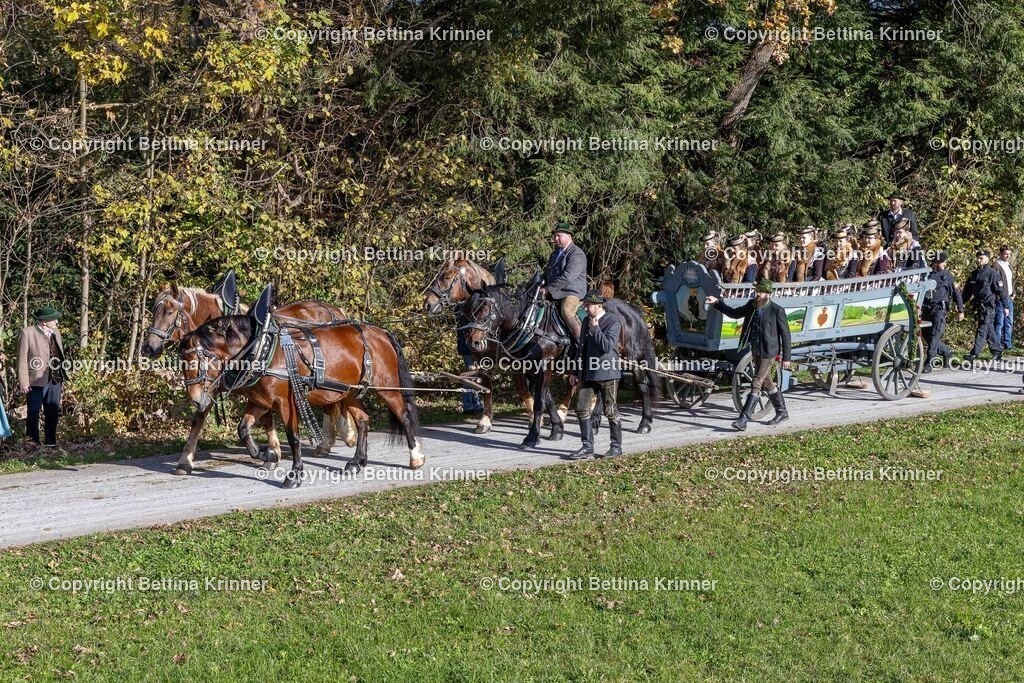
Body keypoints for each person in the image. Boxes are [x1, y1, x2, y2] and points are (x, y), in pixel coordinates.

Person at [706, 279, 792, 430]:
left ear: (768, 294)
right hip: (756, 351)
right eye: (756, 291)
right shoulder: (752, 305)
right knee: (767, 383)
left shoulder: (777, 310)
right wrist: (717, 302)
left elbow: (786, 335)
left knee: (756, 382)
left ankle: (743, 419)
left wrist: (786, 358)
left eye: (760, 292)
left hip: (769, 353)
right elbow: (734, 314)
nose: (757, 294)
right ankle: (782, 411)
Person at [570, 291, 623, 459]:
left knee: (610, 410)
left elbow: (607, 346)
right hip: (588, 373)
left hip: (608, 372)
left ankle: (616, 447)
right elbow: (581, 348)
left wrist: (596, 328)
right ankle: (587, 447)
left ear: (599, 306)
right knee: (581, 409)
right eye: (585, 305)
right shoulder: (586, 320)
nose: (585, 308)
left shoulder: (613, 321)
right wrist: (575, 371)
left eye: (588, 305)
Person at [17, 306, 67, 446]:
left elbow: (59, 354)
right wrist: (24, 382)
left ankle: (51, 441)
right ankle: (32, 443)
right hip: (35, 381)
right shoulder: (27, 333)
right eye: (54, 319)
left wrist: (62, 373)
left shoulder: (56, 332)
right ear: (44, 321)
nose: (56, 321)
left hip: (55, 379)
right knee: (33, 412)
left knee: (52, 411)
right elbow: (21, 359)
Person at [543, 222, 587, 347]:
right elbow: (547, 273)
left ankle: (582, 344)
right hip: (556, 290)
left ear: (569, 236)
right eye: (555, 236)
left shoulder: (576, 253)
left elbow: (568, 276)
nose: (556, 239)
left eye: (559, 236)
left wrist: (548, 289)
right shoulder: (555, 254)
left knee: (567, 310)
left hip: (572, 291)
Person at [962, 249, 1007, 362]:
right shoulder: (974, 274)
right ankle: (997, 352)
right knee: (989, 330)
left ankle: (973, 355)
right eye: (978, 258)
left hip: (989, 306)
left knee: (982, 330)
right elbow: (967, 291)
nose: (978, 260)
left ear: (987, 259)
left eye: (981, 258)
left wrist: (1005, 306)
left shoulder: (992, 273)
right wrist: (961, 303)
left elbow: (1000, 291)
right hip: (978, 307)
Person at [922, 252, 964, 372]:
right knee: (927, 335)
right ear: (934, 262)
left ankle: (929, 362)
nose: (943, 264)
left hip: (939, 310)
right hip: (926, 309)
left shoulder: (947, 276)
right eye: (940, 262)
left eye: (943, 262)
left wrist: (960, 309)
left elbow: (955, 293)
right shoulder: (926, 274)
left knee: (935, 336)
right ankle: (947, 352)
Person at [456, 329, 484, 416]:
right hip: (468, 349)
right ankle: (468, 406)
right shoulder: (465, 319)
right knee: (470, 377)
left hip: (474, 349)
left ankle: (476, 404)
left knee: (475, 376)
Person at [994, 245, 1015, 351]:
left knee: (1009, 321)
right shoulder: (996, 265)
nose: (1008, 256)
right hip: (1001, 298)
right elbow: (996, 283)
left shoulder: (1008, 265)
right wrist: (999, 296)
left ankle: (1007, 343)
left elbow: (1011, 281)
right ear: (1000, 253)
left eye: (1009, 254)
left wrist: (1013, 292)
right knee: (999, 321)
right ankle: (996, 345)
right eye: (1006, 254)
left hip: (1010, 297)